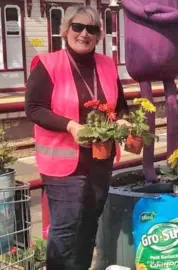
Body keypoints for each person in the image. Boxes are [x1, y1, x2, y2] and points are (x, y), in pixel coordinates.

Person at [24, 5, 130, 270]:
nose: (84, 34)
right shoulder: (48, 64)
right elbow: (34, 108)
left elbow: (120, 106)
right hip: (63, 164)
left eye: (92, 29)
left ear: (99, 35)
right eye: (78, 27)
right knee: (65, 229)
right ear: (65, 30)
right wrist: (71, 126)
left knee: (89, 223)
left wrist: (125, 119)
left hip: (99, 160)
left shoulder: (107, 65)